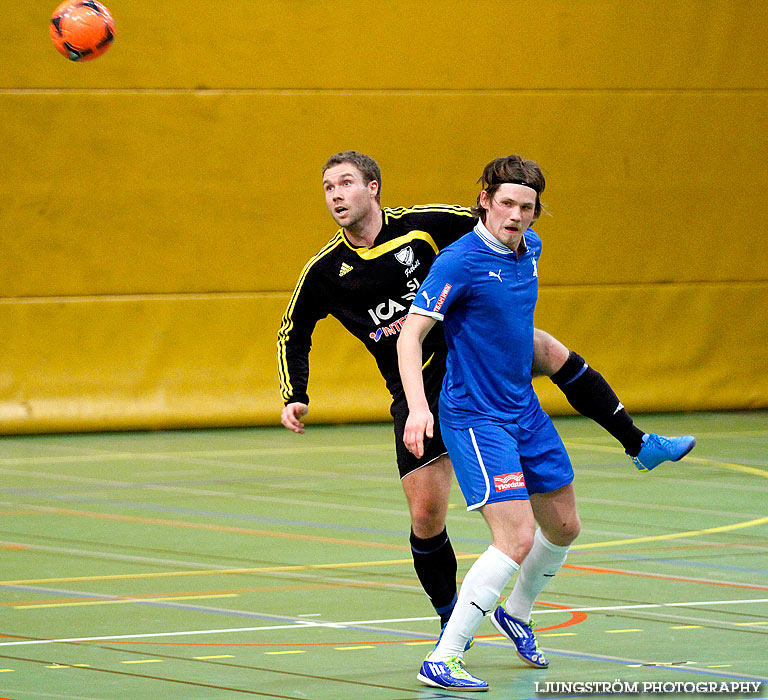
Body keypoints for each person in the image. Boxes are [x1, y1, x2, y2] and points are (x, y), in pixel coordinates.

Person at [277, 151, 695, 643]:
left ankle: (636, 441)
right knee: (426, 514)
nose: (336, 195)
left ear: (373, 188)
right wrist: (295, 393)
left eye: (345, 183)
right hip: (415, 386)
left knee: (544, 346)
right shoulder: (325, 271)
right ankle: (449, 613)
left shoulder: (424, 227)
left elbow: (491, 227)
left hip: (470, 355)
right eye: (328, 188)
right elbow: (293, 329)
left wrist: (515, 237)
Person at [398, 155, 580, 689]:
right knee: (516, 535)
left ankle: (516, 613)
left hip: (524, 408)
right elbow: (410, 336)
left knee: (564, 526)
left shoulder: (531, 251)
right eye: (506, 203)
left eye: (527, 207)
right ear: (485, 199)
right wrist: (417, 406)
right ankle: (444, 656)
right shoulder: (459, 262)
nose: (516, 216)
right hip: (477, 417)